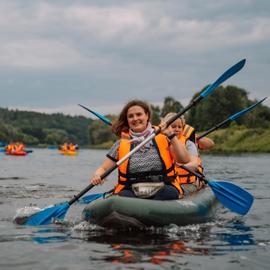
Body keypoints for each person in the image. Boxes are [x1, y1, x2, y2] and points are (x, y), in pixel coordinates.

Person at [90, 100, 190, 200]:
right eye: (131, 116)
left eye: (139, 114)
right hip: (132, 191)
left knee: (169, 193)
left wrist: (171, 135)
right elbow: (103, 168)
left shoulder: (164, 137)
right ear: (127, 120)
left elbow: (184, 159)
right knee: (123, 197)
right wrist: (98, 175)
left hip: (163, 188)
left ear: (147, 116)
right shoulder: (120, 144)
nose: (135, 119)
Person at [163, 113, 213, 195]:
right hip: (168, 182)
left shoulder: (188, 143)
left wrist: (176, 168)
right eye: (173, 126)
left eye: (179, 127)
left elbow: (194, 164)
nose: (177, 129)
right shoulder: (160, 141)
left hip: (187, 183)